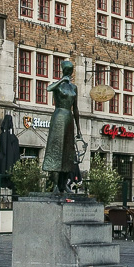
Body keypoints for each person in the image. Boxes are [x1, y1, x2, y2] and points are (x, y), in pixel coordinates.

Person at [42, 60, 81, 192]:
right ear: (63, 71)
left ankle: (64, 183)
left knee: (68, 153)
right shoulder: (57, 86)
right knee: (56, 150)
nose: (69, 73)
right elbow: (48, 88)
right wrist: (61, 80)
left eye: (70, 71)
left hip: (69, 118)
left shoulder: (74, 87)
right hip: (58, 116)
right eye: (67, 70)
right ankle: (54, 185)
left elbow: (75, 109)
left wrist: (79, 129)